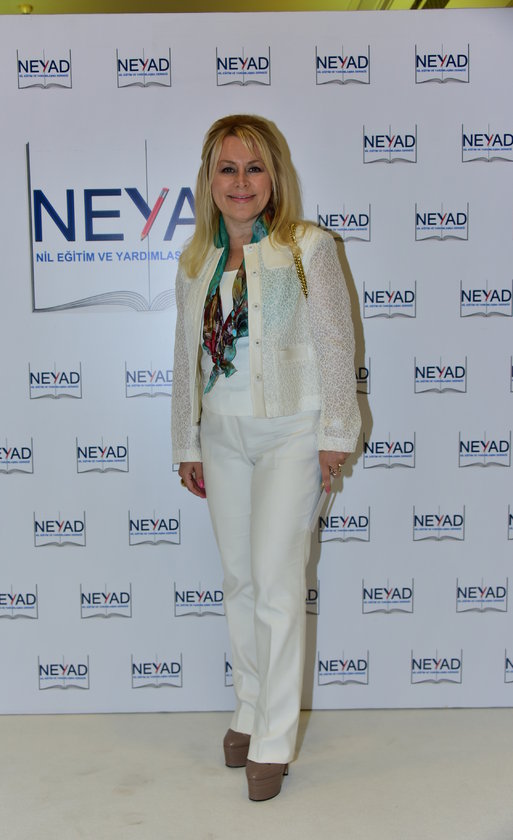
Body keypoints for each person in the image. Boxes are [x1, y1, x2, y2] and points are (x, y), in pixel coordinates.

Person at [171, 114, 361, 801]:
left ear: (274, 176)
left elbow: (334, 339)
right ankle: (249, 709)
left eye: (254, 168)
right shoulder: (196, 262)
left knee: (277, 583)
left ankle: (274, 741)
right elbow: (185, 360)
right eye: (227, 169)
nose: (241, 182)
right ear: (209, 181)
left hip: (290, 433)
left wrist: (336, 430)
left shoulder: (307, 246)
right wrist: (187, 440)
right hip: (223, 436)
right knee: (239, 581)